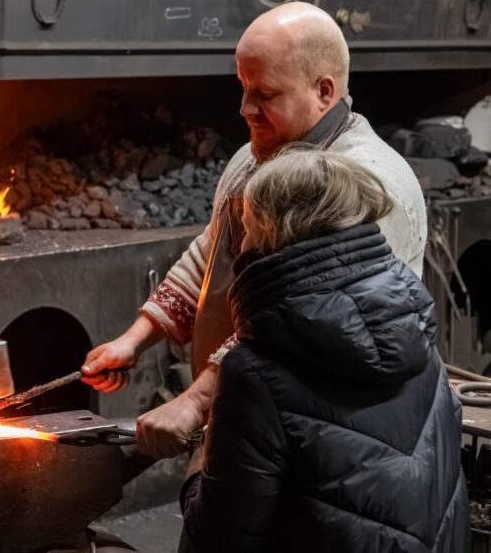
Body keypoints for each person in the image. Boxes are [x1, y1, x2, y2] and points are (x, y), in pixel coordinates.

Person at [80, 2, 428, 459]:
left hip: (321, 442)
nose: (245, 109)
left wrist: (197, 399)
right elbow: (213, 253)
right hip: (243, 414)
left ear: (324, 90)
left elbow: (299, 319)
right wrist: (137, 338)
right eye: (243, 87)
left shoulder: (365, 185)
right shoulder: (257, 156)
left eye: (264, 93)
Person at [181, 149, 467, 552]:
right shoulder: (415, 326)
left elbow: (218, 540)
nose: (241, 242)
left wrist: (198, 466)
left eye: (246, 227)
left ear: (270, 232)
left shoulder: (255, 371)